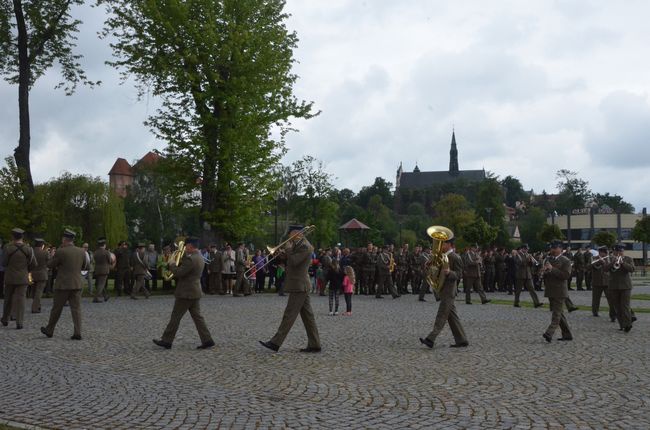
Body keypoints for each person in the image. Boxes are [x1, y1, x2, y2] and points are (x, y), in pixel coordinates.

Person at [259, 225, 321, 353]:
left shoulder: (305, 246)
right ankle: (315, 344)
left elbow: (294, 261)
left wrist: (287, 250)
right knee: (308, 317)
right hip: (299, 285)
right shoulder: (297, 245)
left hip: (300, 285)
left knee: (289, 314)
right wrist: (280, 254)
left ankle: (275, 343)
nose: (288, 238)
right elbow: (290, 259)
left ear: (297, 234)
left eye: (290, 235)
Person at [153, 237, 215, 349]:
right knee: (198, 317)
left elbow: (179, 272)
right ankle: (207, 339)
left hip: (186, 292)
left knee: (175, 317)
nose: (185, 248)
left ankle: (167, 341)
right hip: (195, 291)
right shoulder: (199, 257)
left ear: (191, 246)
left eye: (186, 246)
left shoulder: (191, 259)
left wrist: (171, 263)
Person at [419, 237, 468, 349]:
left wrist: (450, 272)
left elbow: (460, 274)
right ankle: (462, 340)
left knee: (441, 315)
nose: (441, 246)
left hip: (449, 290)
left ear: (450, 244)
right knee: (452, 317)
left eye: (444, 243)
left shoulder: (456, 257)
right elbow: (435, 271)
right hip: (443, 289)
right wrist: (429, 265)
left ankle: (430, 339)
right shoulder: (441, 256)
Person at [41, 229, 89, 340]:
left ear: (64, 239)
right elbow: (86, 266)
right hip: (76, 284)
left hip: (63, 285)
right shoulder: (81, 251)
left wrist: (51, 256)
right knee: (76, 309)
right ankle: (78, 332)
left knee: (57, 309)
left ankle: (50, 329)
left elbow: (50, 265)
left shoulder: (61, 251)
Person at [1, 228, 36, 329]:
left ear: (12, 236)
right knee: (21, 300)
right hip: (22, 277)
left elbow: (3, 263)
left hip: (10, 277)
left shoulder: (7, 248)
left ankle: (5, 319)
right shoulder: (28, 249)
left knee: (8, 299)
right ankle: (19, 322)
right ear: (22, 237)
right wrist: (26, 269)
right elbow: (34, 264)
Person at [541, 241, 573, 342]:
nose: (553, 250)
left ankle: (549, 333)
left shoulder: (565, 260)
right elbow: (546, 274)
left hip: (560, 291)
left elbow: (566, 275)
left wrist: (552, 269)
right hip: (550, 290)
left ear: (560, 249)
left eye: (555, 248)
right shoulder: (548, 259)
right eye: (552, 248)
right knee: (559, 314)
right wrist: (543, 272)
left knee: (556, 314)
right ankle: (567, 334)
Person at [605, 244, 635, 332]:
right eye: (616, 251)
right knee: (617, 307)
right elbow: (605, 269)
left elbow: (632, 269)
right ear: (613, 251)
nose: (618, 253)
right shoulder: (609, 259)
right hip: (613, 286)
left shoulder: (628, 259)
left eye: (620, 251)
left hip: (625, 286)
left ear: (623, 251)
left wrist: (622, 263)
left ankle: (628, 324)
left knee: (625, 306)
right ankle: (622, 325)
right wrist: (612, 263)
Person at [590, 246, 615, 320]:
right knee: (596, 299)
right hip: (597, 282)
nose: (605, 254)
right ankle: (595, 311)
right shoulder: (594, 258)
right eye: (604, 253)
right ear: (600, 252)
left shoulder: (610, 259)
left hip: (607, 282)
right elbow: (588, 266)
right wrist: (598, 262)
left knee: (611, 299)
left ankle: (613, 314)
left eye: (606, 252)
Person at [31, 238, 49, 313]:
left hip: (32, 274)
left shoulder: (31, 252)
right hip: (42, 274)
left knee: (34, 291)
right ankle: (35, 307)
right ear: (42, 245)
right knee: (39, 292)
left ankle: (37, 305)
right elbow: (49, 262)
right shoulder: (45, 253)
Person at [93, 238, 112, 303]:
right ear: (104, 245)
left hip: (97, 269)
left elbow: (94, 260)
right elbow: (110, 261)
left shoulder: (95, 252)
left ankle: (105, 296)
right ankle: (96, 298)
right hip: (104, 269)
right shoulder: (106, 252)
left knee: (100, 283)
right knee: (101, 284)